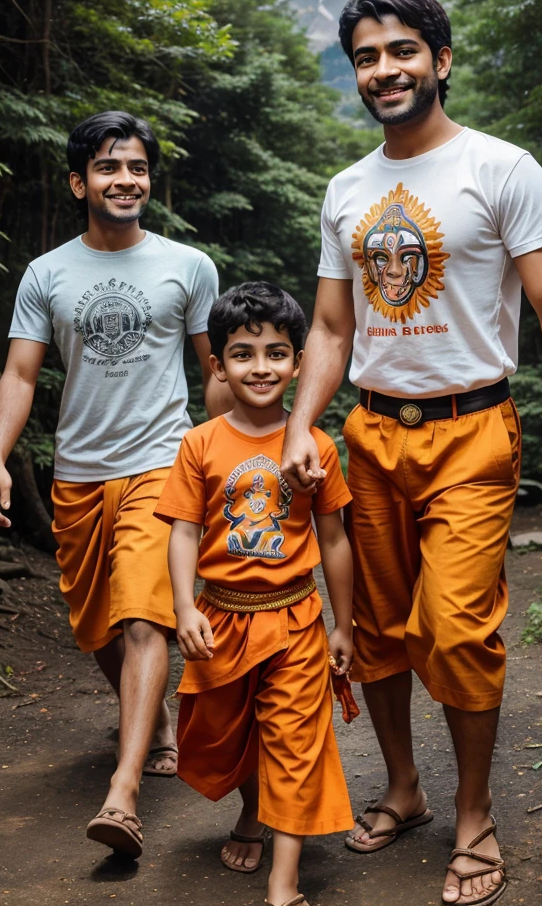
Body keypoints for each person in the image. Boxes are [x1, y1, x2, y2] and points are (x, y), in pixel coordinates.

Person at [280, 0, 542, 906]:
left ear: (441, 59)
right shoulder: (346, 190)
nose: (383, 70)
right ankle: (404, 789)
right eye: (366, 57)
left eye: (401, 51)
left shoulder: (500, 168)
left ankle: (475, 817)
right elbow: (332, 330)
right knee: (380, 633)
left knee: (459, 629)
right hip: (372, 430)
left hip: (473, 432)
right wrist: (303, 424)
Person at [0, 110, 229, 858]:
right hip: (78, 473)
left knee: (147, 617)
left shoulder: (189, 266)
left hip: (161, 461)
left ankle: (122, 794)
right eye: (111, 168)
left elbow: (216, 371)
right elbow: (22, 373)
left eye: (138, 168)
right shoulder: (46, 273)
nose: (127, 180)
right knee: (95, 625)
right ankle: (149, 720)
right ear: (78, 181)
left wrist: (231, 453)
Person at [154, 282, 355, 906]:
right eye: (243, 353)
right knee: (229, 733)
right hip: (220, 620)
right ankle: (252, 810)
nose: (261, 367)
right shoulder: (200, 443)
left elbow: (335, 539)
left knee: (295, 742)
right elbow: (184, 531)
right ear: (217, 365)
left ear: (299, 362)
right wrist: (184, 606)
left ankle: (284, 883)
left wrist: (343, 626)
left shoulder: (316, 445)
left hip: (295, 618)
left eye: (276, 353)